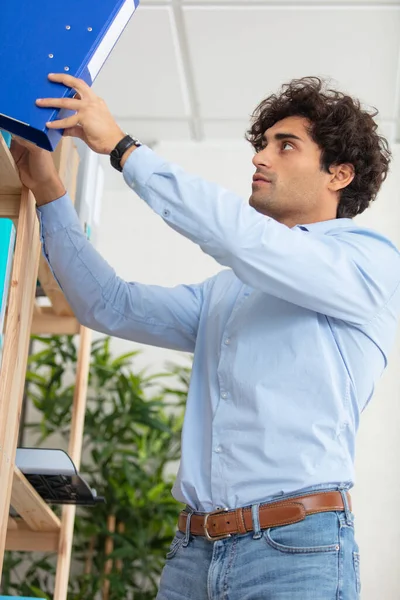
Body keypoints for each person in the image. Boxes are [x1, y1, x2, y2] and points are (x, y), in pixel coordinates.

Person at [11, 74, 400, 599]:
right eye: (262, 145)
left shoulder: (368, 263)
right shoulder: (229, 292)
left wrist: (124, 150)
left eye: (286, 146)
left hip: (297, 554)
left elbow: (246, 241)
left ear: (341, 174)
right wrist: (49, 191)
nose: (261, 158)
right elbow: (110, 304)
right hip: (192, 554)